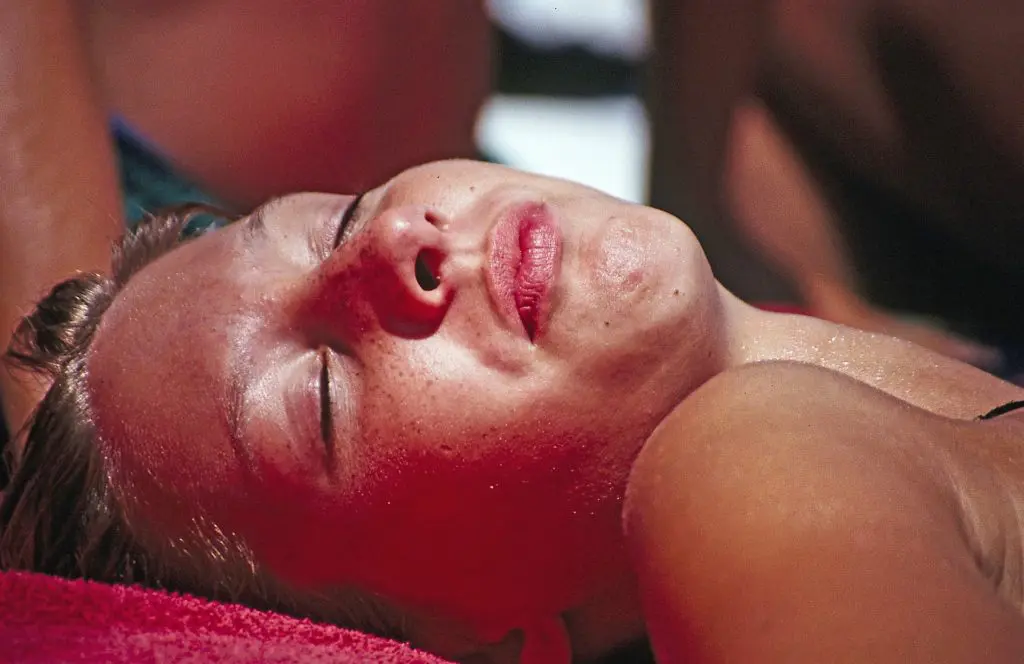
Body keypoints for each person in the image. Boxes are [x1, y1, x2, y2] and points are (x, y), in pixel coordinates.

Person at [3, 159, 1024, 663]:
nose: (394, 239)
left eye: (341, 220)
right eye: (318, 395)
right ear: (499, 644)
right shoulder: (741, 463)